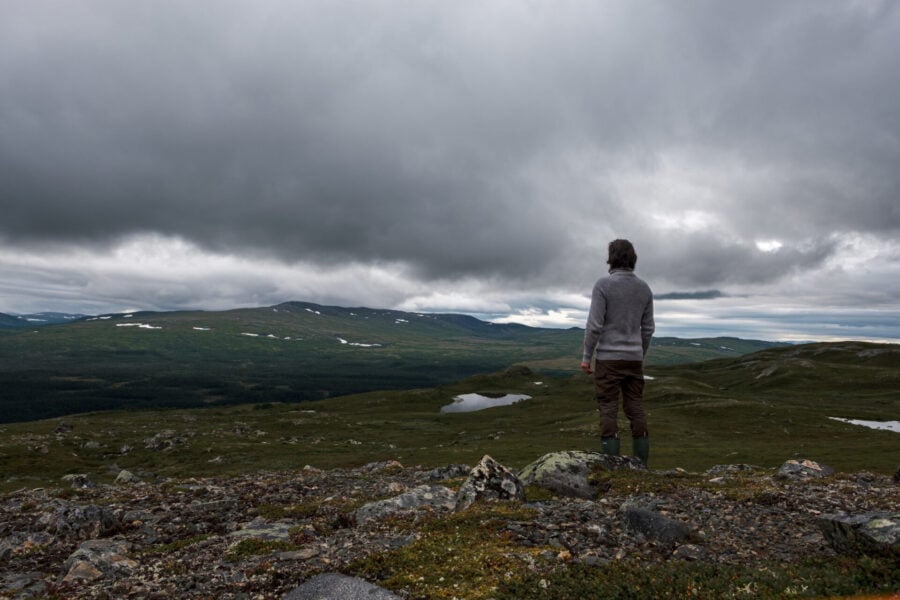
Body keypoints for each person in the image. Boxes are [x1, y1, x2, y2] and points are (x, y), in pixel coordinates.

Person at [581, 239, 654, 465]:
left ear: (611, 258)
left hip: (608, 360)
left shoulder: (603, 285)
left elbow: (595, 325)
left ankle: (611, 465)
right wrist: (638, 352)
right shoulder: (644, 288)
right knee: (635, 407)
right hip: (634, 359)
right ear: (633, 258)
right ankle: (641, 464)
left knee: (608, 408)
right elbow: (648, 328)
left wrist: (586, 357)